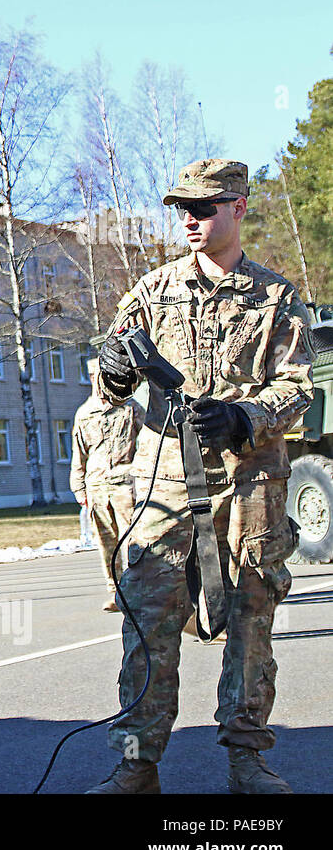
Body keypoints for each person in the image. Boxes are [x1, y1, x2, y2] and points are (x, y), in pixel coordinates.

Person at [88, 159, 312, 794]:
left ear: (238, 208)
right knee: (147, 623)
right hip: (164, 483)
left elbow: (298, 388)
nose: (190, 218)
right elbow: (112, 377)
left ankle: (247, 759)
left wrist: (244, 416)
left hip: (250, 483)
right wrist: (111, 370)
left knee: (250, 616)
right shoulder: (150, 292)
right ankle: (136, 765)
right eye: (182, 207)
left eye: (205, 207)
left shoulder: (276, 298)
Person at [70, 362, 143, 611]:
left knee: (134, 541)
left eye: (100, 375)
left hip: (126, 486)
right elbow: (79, 455)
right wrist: (79, 489)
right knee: (106, 544)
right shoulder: (84, 413)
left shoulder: (131, 409)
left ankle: (138, 590)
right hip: (97, 487)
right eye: (92, 376)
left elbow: (147, 445)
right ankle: (117, 592)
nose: (96, 381)